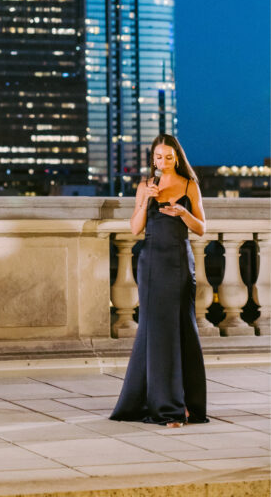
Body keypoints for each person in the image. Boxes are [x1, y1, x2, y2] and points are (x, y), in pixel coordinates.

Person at [110, 134, 208, 427]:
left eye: (168, 157)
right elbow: (135, 228)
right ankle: (164, 407)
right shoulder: (144, 186)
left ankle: (183, 405)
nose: (162, 162)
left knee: (181, 330)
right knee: (155, 332)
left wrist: (183, 212)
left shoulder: (190, 185)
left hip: (179, 263)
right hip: (151, 262)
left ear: (177, 157)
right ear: (152, 158)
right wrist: (144, 202)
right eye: (158, 157)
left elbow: (202, 228)